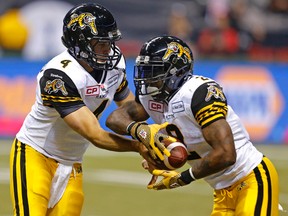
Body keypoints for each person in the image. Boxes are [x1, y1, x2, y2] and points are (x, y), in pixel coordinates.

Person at [9, 3, 166, 216]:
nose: (108, 49)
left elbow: (127, 106)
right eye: (100, 43)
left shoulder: (113, 62)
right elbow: (95, 134)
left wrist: (150, 135)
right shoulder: (58, 76)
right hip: (35, 156)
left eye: (109, 42)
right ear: (78, 43)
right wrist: (139, 146)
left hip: (72, 162)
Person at [106, 35, 279, 215]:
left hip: (251, 178)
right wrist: (141, 131)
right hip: (221, 191)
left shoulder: (198, 92)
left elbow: (227, 154)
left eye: (154, 71)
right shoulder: (150, 97)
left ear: (176, 70)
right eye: (145, 71)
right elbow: (114, 119)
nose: (147, 79)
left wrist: (183, 178)